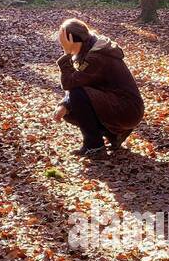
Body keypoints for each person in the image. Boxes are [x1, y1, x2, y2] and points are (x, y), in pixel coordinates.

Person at [52, 17, 145, 157]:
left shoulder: (97, 56)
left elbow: (70, 84)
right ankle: (113, 135)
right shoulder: (91, 48)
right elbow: (80, 83)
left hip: (127, 110)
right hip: (121, 107)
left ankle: (95, 145)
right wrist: (65, 104)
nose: (64, 46)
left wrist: (66, 54)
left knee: (77, 96)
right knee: (70, 108)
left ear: (74, 40)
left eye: (65, 42)